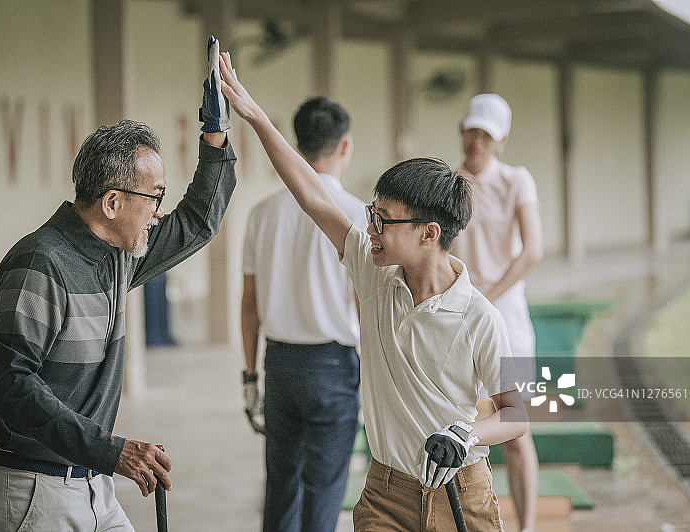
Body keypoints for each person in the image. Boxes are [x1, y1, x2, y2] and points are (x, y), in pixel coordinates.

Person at [219, 52, 528, 531]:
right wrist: (257, 118)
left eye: (385, 220)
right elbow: (311, 193)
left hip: (461, 493)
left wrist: (467, 434)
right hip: (385, 495)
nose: (372, 228)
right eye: (372, 215)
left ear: (429, 232)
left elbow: (515, 412)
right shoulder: (371, 269)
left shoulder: (481, 317)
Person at [0, 37, 236, 531]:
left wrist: (214, 137)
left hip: (91, 485)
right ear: (111, 203)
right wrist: (112, 451)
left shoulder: (117, 256)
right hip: (27, 491)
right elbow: (13, 386)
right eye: (154, 197)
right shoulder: (39, 265)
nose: (158, 213)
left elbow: (196, 223)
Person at [241, 96, 366, 531]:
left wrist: (249, 376)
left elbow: (250, 303)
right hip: (332, 364)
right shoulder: (357, 216)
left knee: (280, 484)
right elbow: (363, 305)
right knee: (325, 489)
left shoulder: (261, 214)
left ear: (295, 141)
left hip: (279, 364)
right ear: (345, 146)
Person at [451, 93, 544, 532]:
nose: (477, 140)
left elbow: (533, 250)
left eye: (486, 134)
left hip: (506, 314)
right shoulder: (448, 182)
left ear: (501, 140)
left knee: (516, 429)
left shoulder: (516, 180)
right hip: (460, 316)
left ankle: (525, 528)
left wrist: (488, 292)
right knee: (464, 427)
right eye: (472, 130)